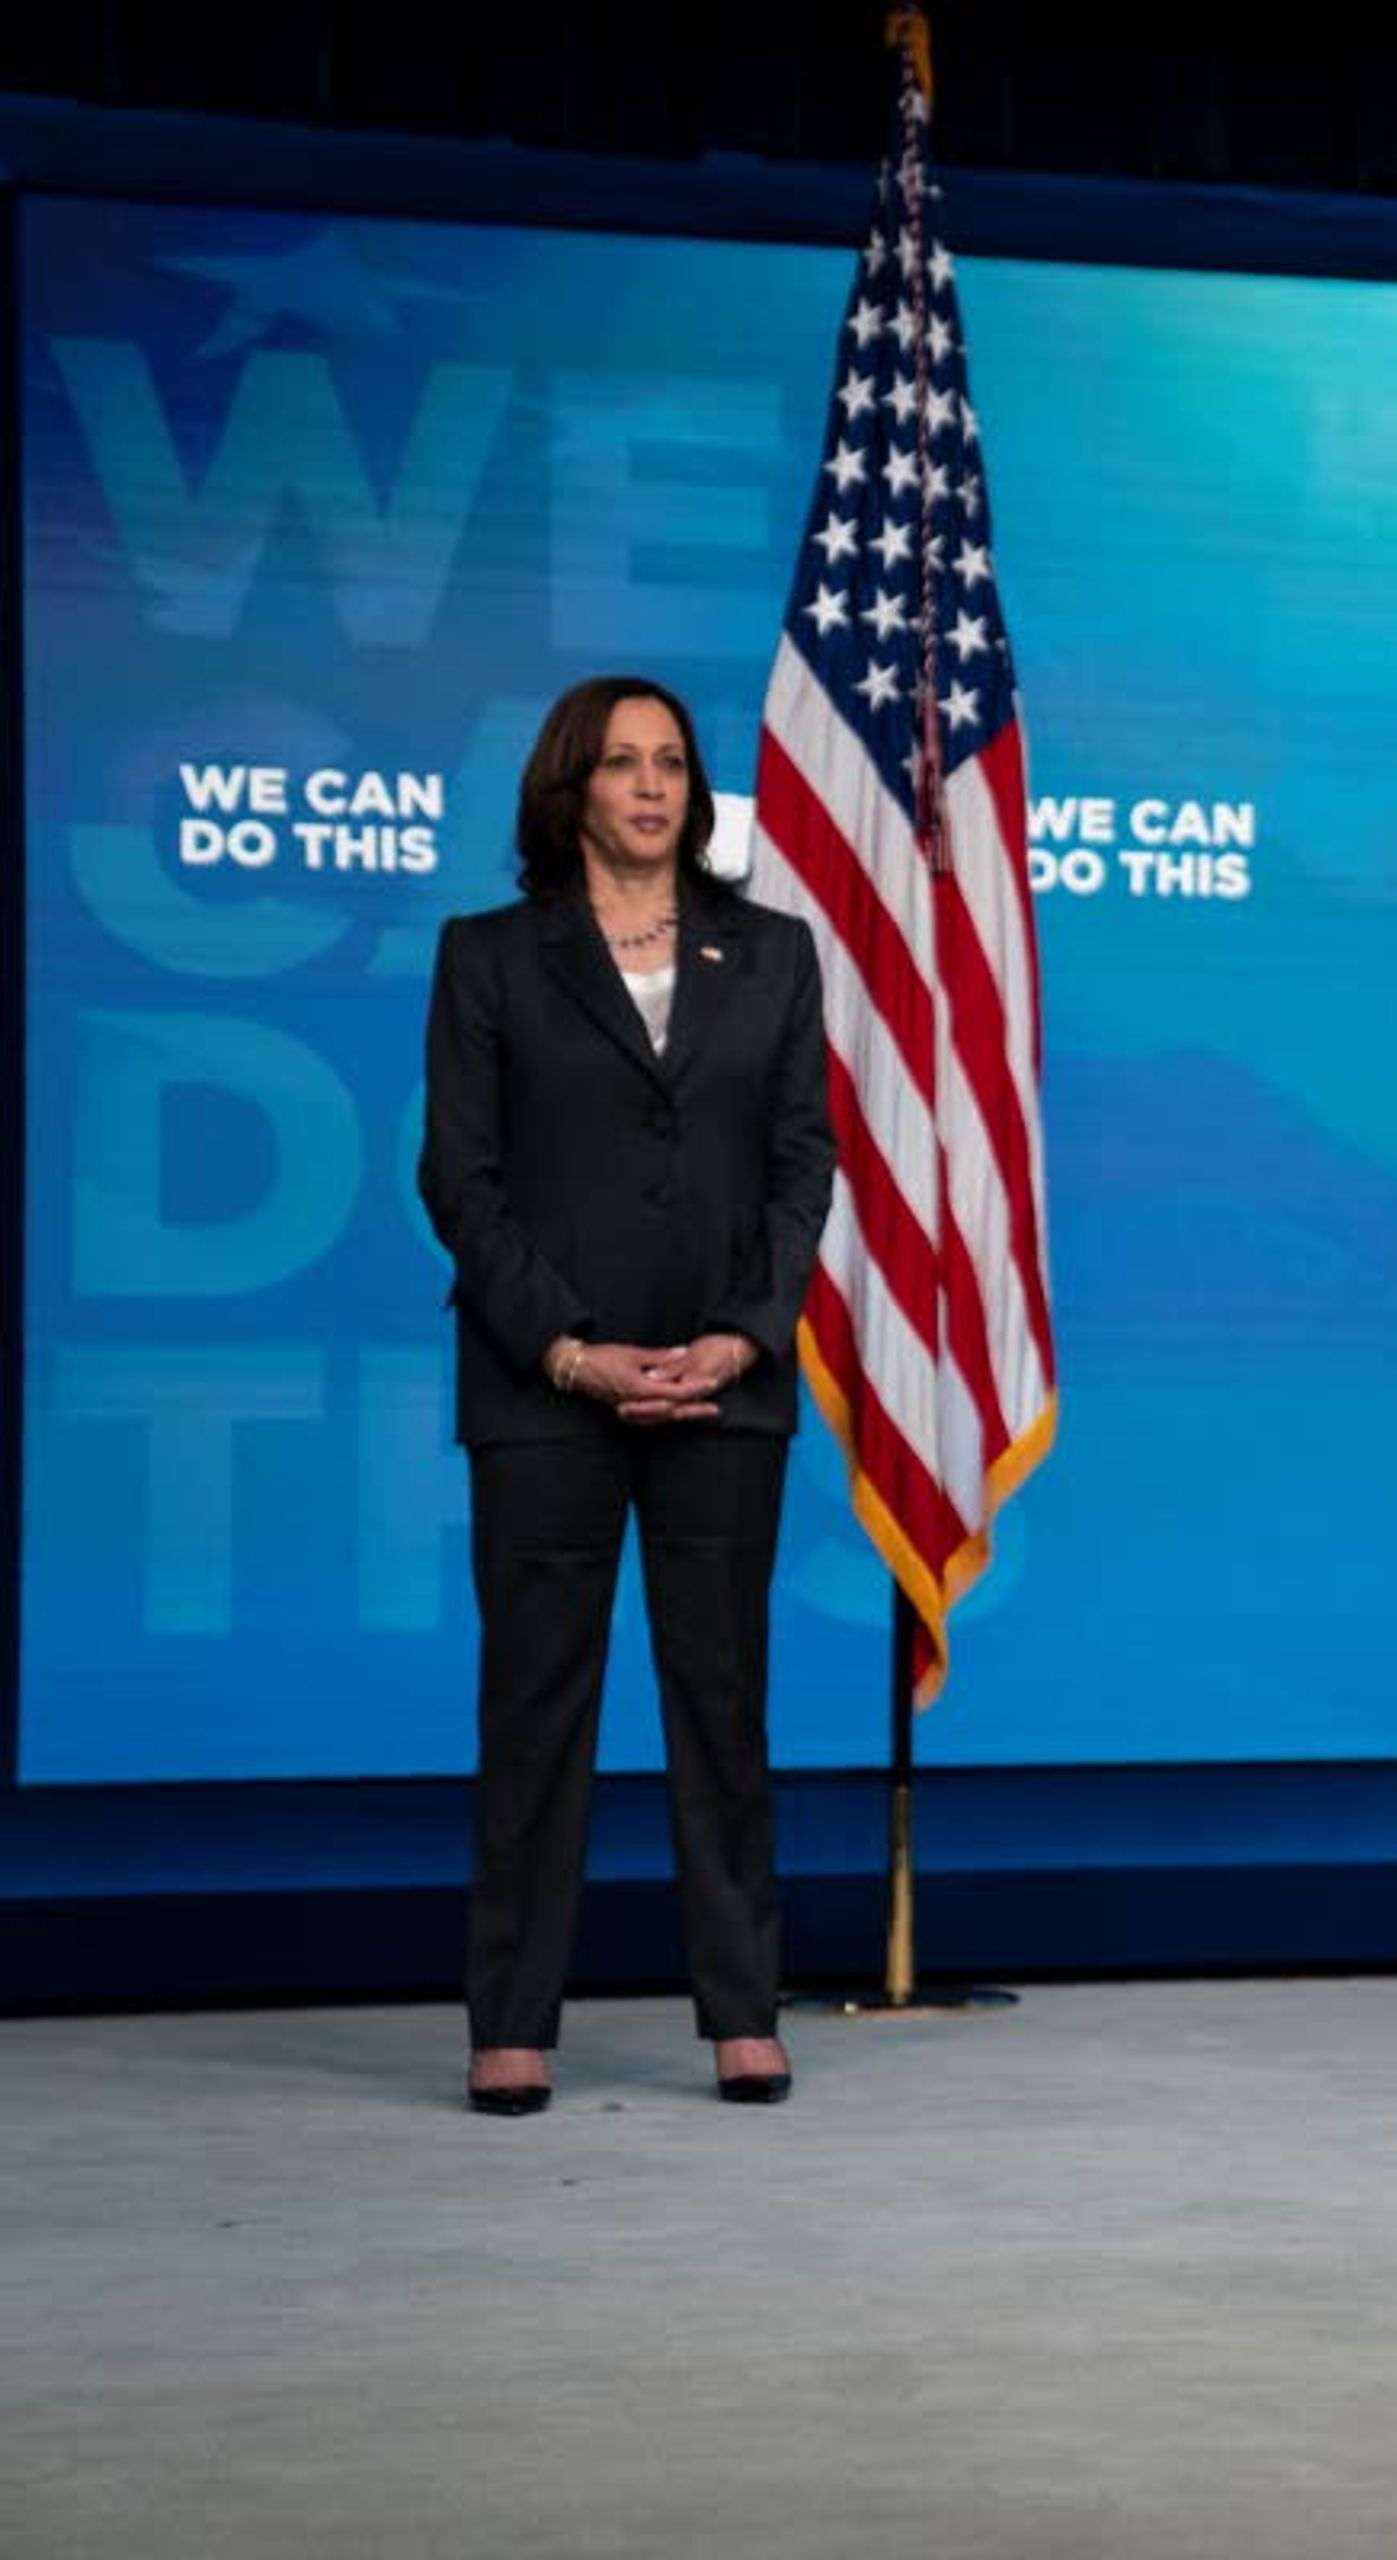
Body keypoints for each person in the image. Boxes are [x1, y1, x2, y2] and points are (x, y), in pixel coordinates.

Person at [420, 674, 838, 2117]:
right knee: (537, 1707)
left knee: (721, 1703)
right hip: (543, 1391)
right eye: (621, 763)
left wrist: (739, 1338)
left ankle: (742, 2007)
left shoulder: (772, 954)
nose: (652, 786)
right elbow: (459, 1183)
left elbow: (805, 1169)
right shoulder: (487, 956)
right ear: (570, 787)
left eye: (671, 762)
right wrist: (570, 1348)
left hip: (727, 1389)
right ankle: (510, 2016)